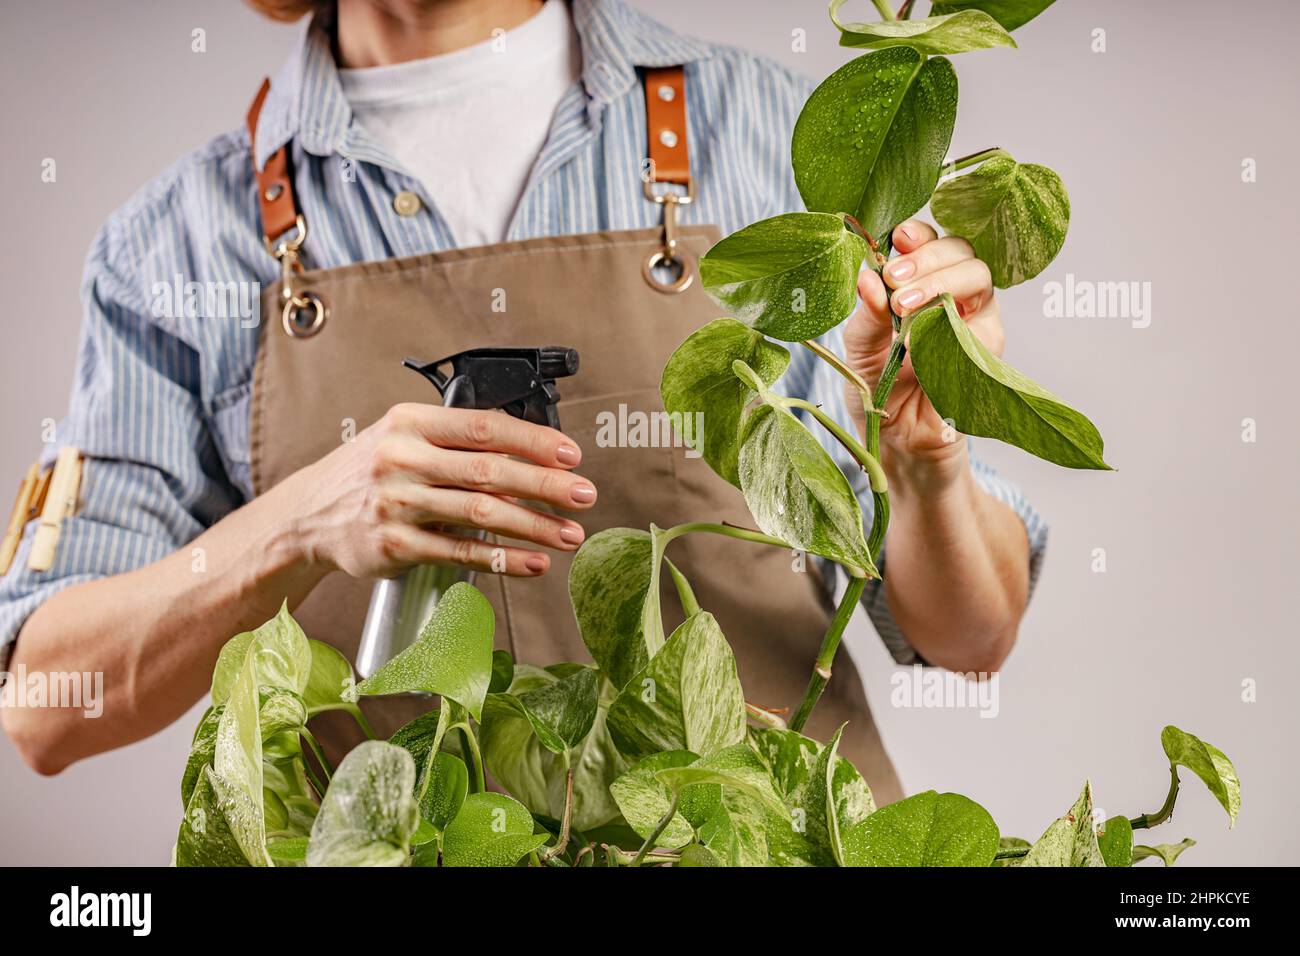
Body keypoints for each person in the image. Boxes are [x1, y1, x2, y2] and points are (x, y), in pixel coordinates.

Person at [0, 0, 1044, 802]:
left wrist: (920, 461)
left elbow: (971, 636)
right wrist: (298, 523)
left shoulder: (775, 135)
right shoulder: (176, 242)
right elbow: (45, 705)